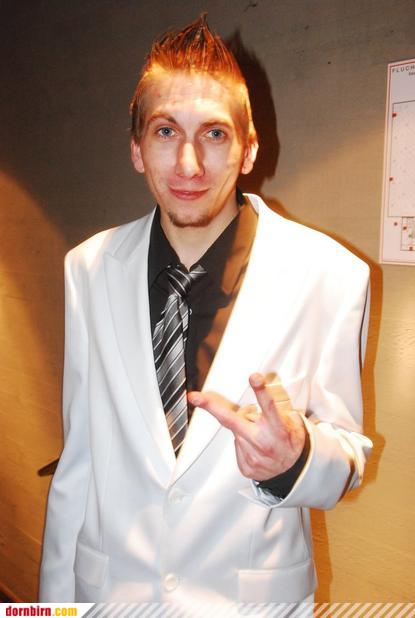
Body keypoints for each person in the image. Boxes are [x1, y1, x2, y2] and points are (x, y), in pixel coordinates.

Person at [39, 14, 372, 608]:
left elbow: (347, 458)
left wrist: (296, 459)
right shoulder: (87, 268)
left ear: (249, 149)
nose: (188, 165)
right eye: (166, 131)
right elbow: (78, 465)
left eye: (214, 134)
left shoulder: (331, 276)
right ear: (137, 148)